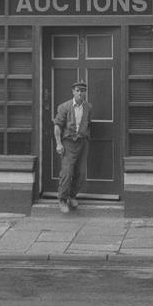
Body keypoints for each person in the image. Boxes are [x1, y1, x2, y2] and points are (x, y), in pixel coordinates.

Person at [53, 80, 92, 213]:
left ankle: (72, 195)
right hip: (68, 143)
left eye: (83, 90)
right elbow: (57, 126)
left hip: (82, 142)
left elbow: (88, 123)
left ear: (86, 93)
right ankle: (62, 199)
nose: (80, 93)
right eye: (78, 90)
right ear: (73, 92)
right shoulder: (64, 107)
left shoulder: (88, 107)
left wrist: (85, 136)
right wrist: (59, 143)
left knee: (81, 173)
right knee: (67, 172)